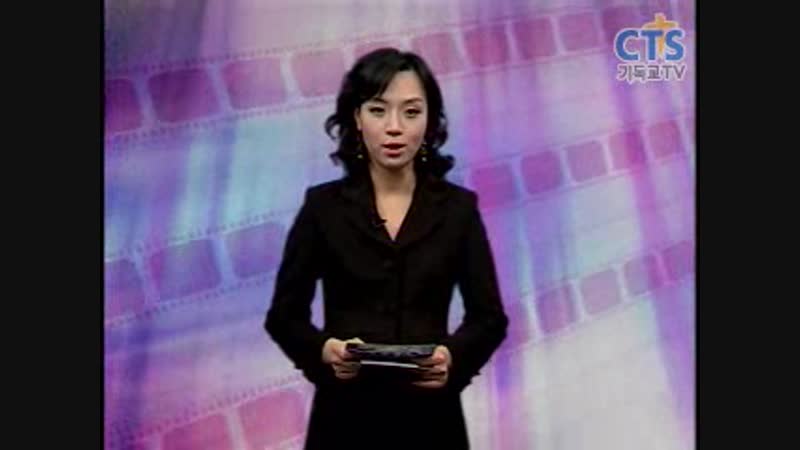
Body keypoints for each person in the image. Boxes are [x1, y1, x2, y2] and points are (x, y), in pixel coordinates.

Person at [265, 47, 508, 450]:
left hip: (432, 422)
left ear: (430, 120)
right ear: (357, 118)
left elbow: (489, 318)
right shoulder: (323, 208)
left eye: (411, 112)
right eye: (378, 110)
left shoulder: (459, 210)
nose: (394, 127)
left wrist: (451, 358)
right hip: (344, 420)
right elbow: (284, 316)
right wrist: (323, 351)